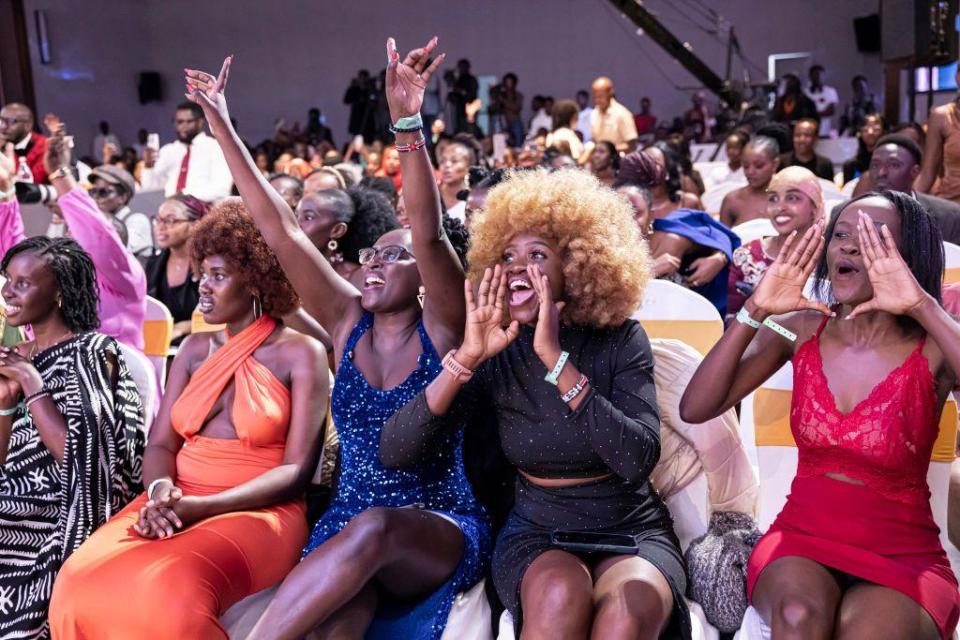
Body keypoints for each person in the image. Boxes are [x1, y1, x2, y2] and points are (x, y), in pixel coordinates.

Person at [184, 43, 490, 639]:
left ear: (424, 279)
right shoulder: (347, 321)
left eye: (393, 257)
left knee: (375, 530)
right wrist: (220, 124)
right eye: (371, 255)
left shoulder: (444, 324)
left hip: (432, 524)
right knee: (334, 623)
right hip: (346, 525)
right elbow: (280, 228)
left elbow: (427, 233)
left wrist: (406, 121)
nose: (375, 264)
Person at [385, 165, 691, 639]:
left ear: (575, 266)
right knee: (558, 596)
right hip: (539, 531)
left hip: (632, 529)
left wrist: (556, 360)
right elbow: (396, 451)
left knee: (628, 615)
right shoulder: (496, 346)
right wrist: (466, 357)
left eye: (536, 254)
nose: (514, 267)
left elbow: (635, 459)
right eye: (507, 254)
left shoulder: (622, 340)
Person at [681, 191, 960, 639]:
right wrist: (755, 310)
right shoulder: (799, 329)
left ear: (906, 257)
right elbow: (696, 407)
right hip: (799, 542)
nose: (847, 246)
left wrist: (922, 305)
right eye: (841, 234)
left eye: (870, 238)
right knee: (797, 618)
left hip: (904, 556)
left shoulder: (933, 345)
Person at [49, 200, 327, 639]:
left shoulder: (300, 353)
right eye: (202, 275)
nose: (203, 288)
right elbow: (160, 446)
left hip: (259, 509)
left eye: (218, 276)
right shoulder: (195, 350)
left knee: (170, 593)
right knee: (76, 580)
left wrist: (201, 508)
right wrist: (160, 492)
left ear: (256, 280)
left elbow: (296, 471)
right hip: (175, 498)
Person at [0, 234, 145, 638]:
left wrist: (32, 385)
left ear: (60, 292)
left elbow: (86, 462)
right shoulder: (13, 356)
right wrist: (5, 403)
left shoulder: (91, 353)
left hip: (57, 515)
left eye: (23, 283)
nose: (9, 291)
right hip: (10, 500)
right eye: (6, 278)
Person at [0, 128, 147, 351]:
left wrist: (61, 176)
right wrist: (5, 191)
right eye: (67, 236)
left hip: (111, 382)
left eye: (76, 238)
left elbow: (97, 236)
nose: (65, 247)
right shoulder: (54, 281)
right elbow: (19, 253)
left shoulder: (125, 281)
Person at [727, 166, 823, 317]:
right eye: (773, 199)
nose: (780, 207)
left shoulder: (832, 256)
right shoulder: (747, 256)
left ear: (815, 206)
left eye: (792, 198)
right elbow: (732, 318)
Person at [843, 133, 960, 245]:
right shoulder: (845, 213)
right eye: (875, 165)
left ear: (914, 172)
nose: (881, 172)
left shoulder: (950, 217)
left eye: (894, 165)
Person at [295, 185, 400, 288]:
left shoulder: (357, 278)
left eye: (308, 217)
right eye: (296, 215)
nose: (296, 223)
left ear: (337, 230)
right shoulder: (290, 266)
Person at [144, 194, 210, 343]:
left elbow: (224, 313)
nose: (160, 227)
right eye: (158, 220)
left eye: (170, 220)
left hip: (203, 345)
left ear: (195, 224)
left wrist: (184, 327)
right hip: (162, 346)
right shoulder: (153, 264)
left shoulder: (209, 264)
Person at [140, 101, 233, 200]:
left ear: (200, 122)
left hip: (204, 210)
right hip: (168, 211)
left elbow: (222, 189)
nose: (183, 126)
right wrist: (148, 166)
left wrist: (183, 196)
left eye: (188, 121)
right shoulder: (167, 151)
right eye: (179, 122)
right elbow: (150, 189)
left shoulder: (215, 148)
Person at [87, 164, 154, 259]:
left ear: (123, 198)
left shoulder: (138, 220)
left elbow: (116, 248)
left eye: (103, 192)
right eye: (93, 191)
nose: (96, 197)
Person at [916, 70, 960, 203]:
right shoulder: (942, 116)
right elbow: (927, 175)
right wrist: (906, 206)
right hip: (952, 208)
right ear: (958, 77)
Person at [621, 146, 701, 219]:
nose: (648, 166)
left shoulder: (688, 202)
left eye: (655, 162)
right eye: (644, 162)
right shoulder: (629, 204)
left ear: (667, 171)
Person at [720, 136, 780, 228]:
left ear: (775, 164)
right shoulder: (732, 200)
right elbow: (722, 241)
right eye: (745, 166)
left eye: (759, 166)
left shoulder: (789, 198)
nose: (750, 172)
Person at [0, 102, 48, 184]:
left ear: (28, 125)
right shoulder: (3, 143)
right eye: (1, 120)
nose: (3, 126)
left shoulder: (44, 146)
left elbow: (32, 184)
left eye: (11, 121)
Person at [591, 77, 639, 152]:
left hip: (618, 160)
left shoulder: (622, 114)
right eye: (595, 97)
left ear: (610, 94)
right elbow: (594, 139)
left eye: (601, 97)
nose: (598, 100)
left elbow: (632, 145)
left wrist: (609, 151)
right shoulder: (594, 113)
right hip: (599, 160)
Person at [438, 136, 477, 220]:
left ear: (468, 167)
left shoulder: (474, 201)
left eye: (454, 161)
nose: (447, 165)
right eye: (443, 161)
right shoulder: (432, 195)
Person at [842, 112, 885, 186]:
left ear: (884, 132)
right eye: (866, 128)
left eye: (875, 128)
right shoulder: (850, 165)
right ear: (860, 133)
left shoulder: (888, 163)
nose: (870, 132)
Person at [804, 65, 839, 138]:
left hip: (824, 131)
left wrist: (812, 114)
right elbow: (803, 112)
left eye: (819, 74)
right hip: (808, 132)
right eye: (814, 75)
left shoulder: (830, 92)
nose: (817, 77)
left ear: (824, 76)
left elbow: (831, 111)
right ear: (810, 76)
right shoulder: (805, 93)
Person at [344, 69, 373, 138]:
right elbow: (346, 100)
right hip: (356, 119)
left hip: (367, 120)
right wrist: (351, 87)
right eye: (361, 78)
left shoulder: (370, 90)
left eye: (364, 78)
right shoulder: (355, 90)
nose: (362, 80)